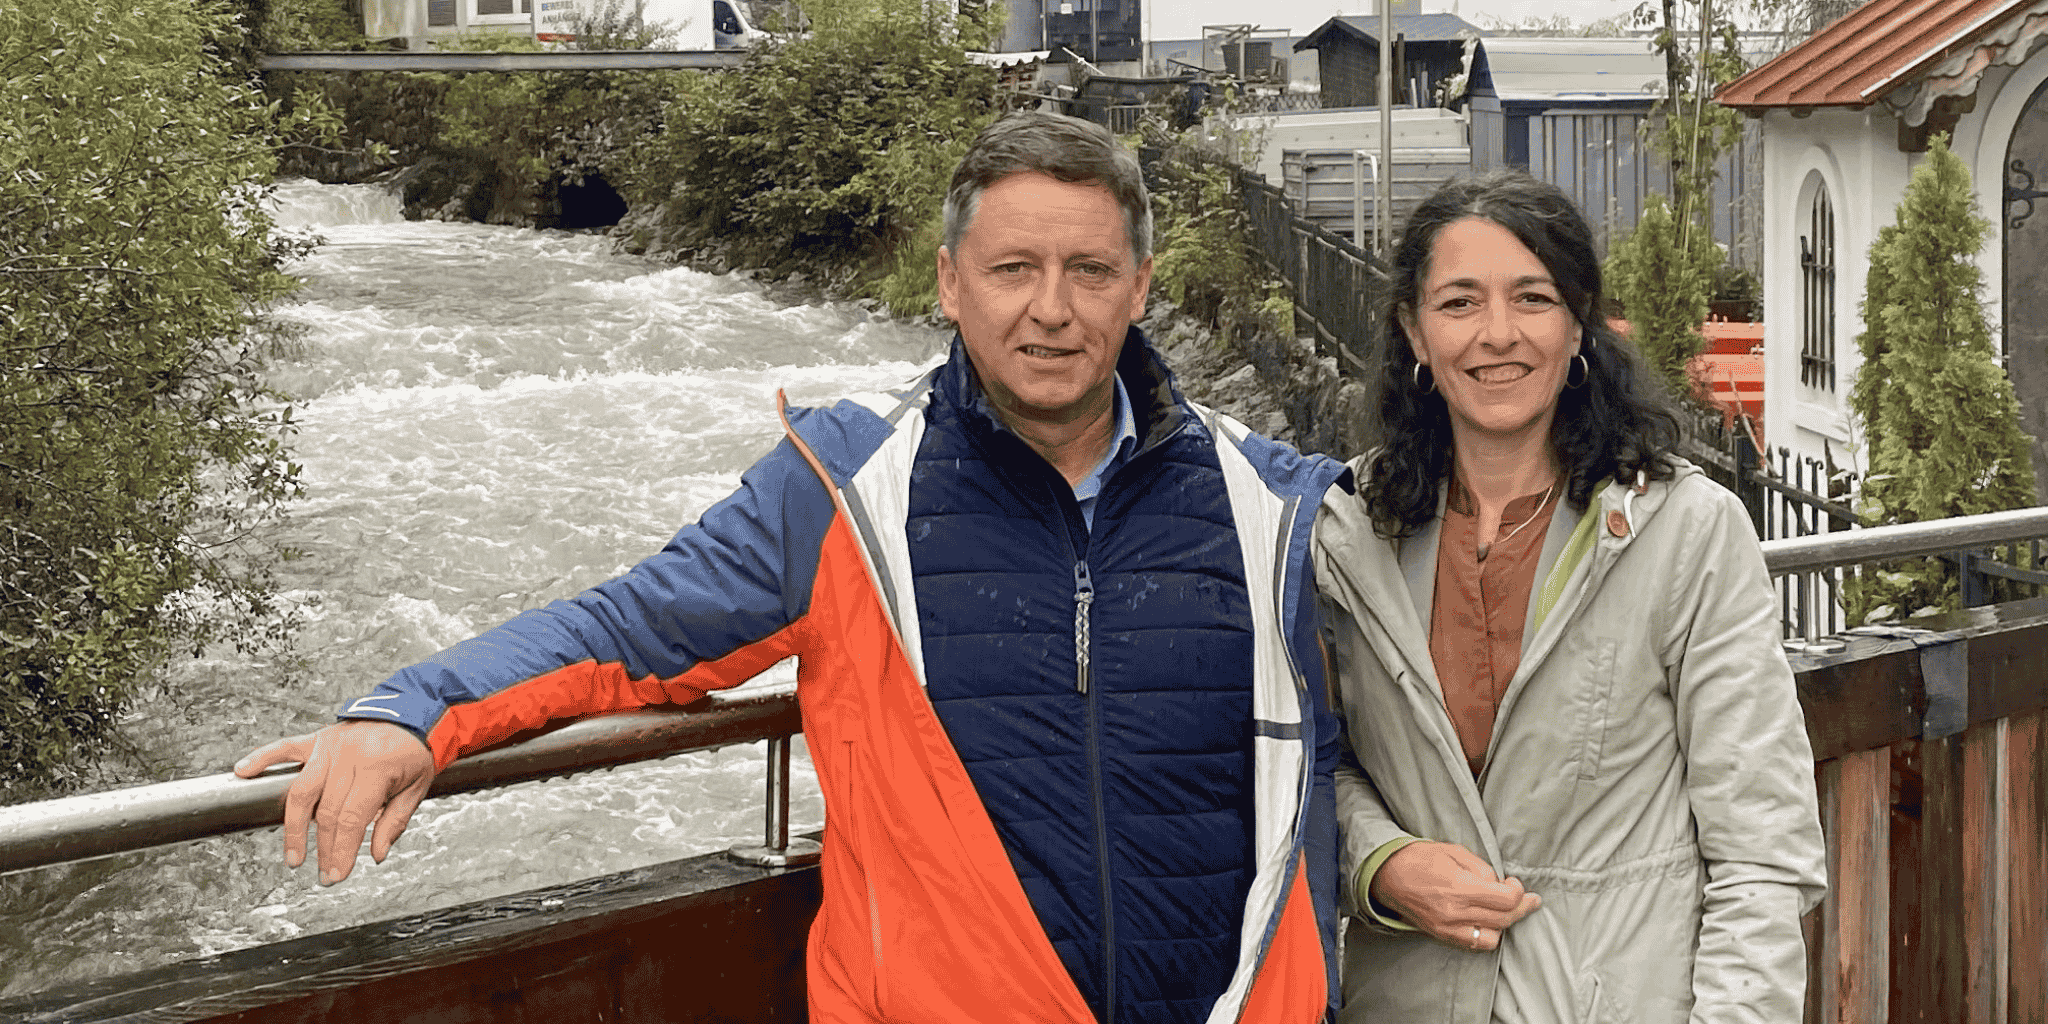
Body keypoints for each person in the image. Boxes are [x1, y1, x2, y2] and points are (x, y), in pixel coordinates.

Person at [235, 111, 1349, 1024]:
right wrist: (410, 708)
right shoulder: (841, 488)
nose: (1049, 308)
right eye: (1012, 268)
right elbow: (627, 632)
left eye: (1087, 270)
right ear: (950, 284)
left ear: (1140, 287)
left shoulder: (1271, 500)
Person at [1311, 171, 1826, 1023]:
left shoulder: (1685, 534)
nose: (1498, 335)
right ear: (1414, 332)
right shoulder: (1347, 535)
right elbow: (1316, 764)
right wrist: (1381, 864)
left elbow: (1761, 854)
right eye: (1460, 303)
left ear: (1578, 322)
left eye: (1534, 298)